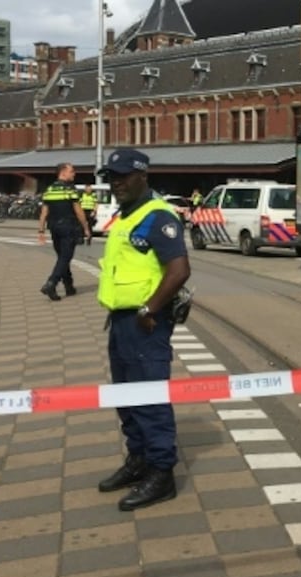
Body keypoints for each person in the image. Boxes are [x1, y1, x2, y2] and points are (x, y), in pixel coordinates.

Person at [95, 148, 191, 511]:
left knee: (149, 398)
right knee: (125, 397)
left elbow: (179, 270)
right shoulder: (126, 216)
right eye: (111, 177)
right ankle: (138, 460)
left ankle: (161, 473)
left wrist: (150, 309)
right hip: (122, 322)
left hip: (145, 323)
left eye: (122, 176)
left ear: (142, 176)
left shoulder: (157, 216)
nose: (115, 183)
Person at [38, 163, 91, 300]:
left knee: (62, 257)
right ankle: (51, 283)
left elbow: (44, 212)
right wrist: (86, 227)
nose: (74, 174)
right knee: (65, 257)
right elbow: (78, 210)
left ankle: (69, 286)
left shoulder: (49, 189)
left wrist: (41, 230)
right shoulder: (70, 189)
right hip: (68, 226)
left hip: (54, 227)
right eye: (72, 171)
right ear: (63, 172)